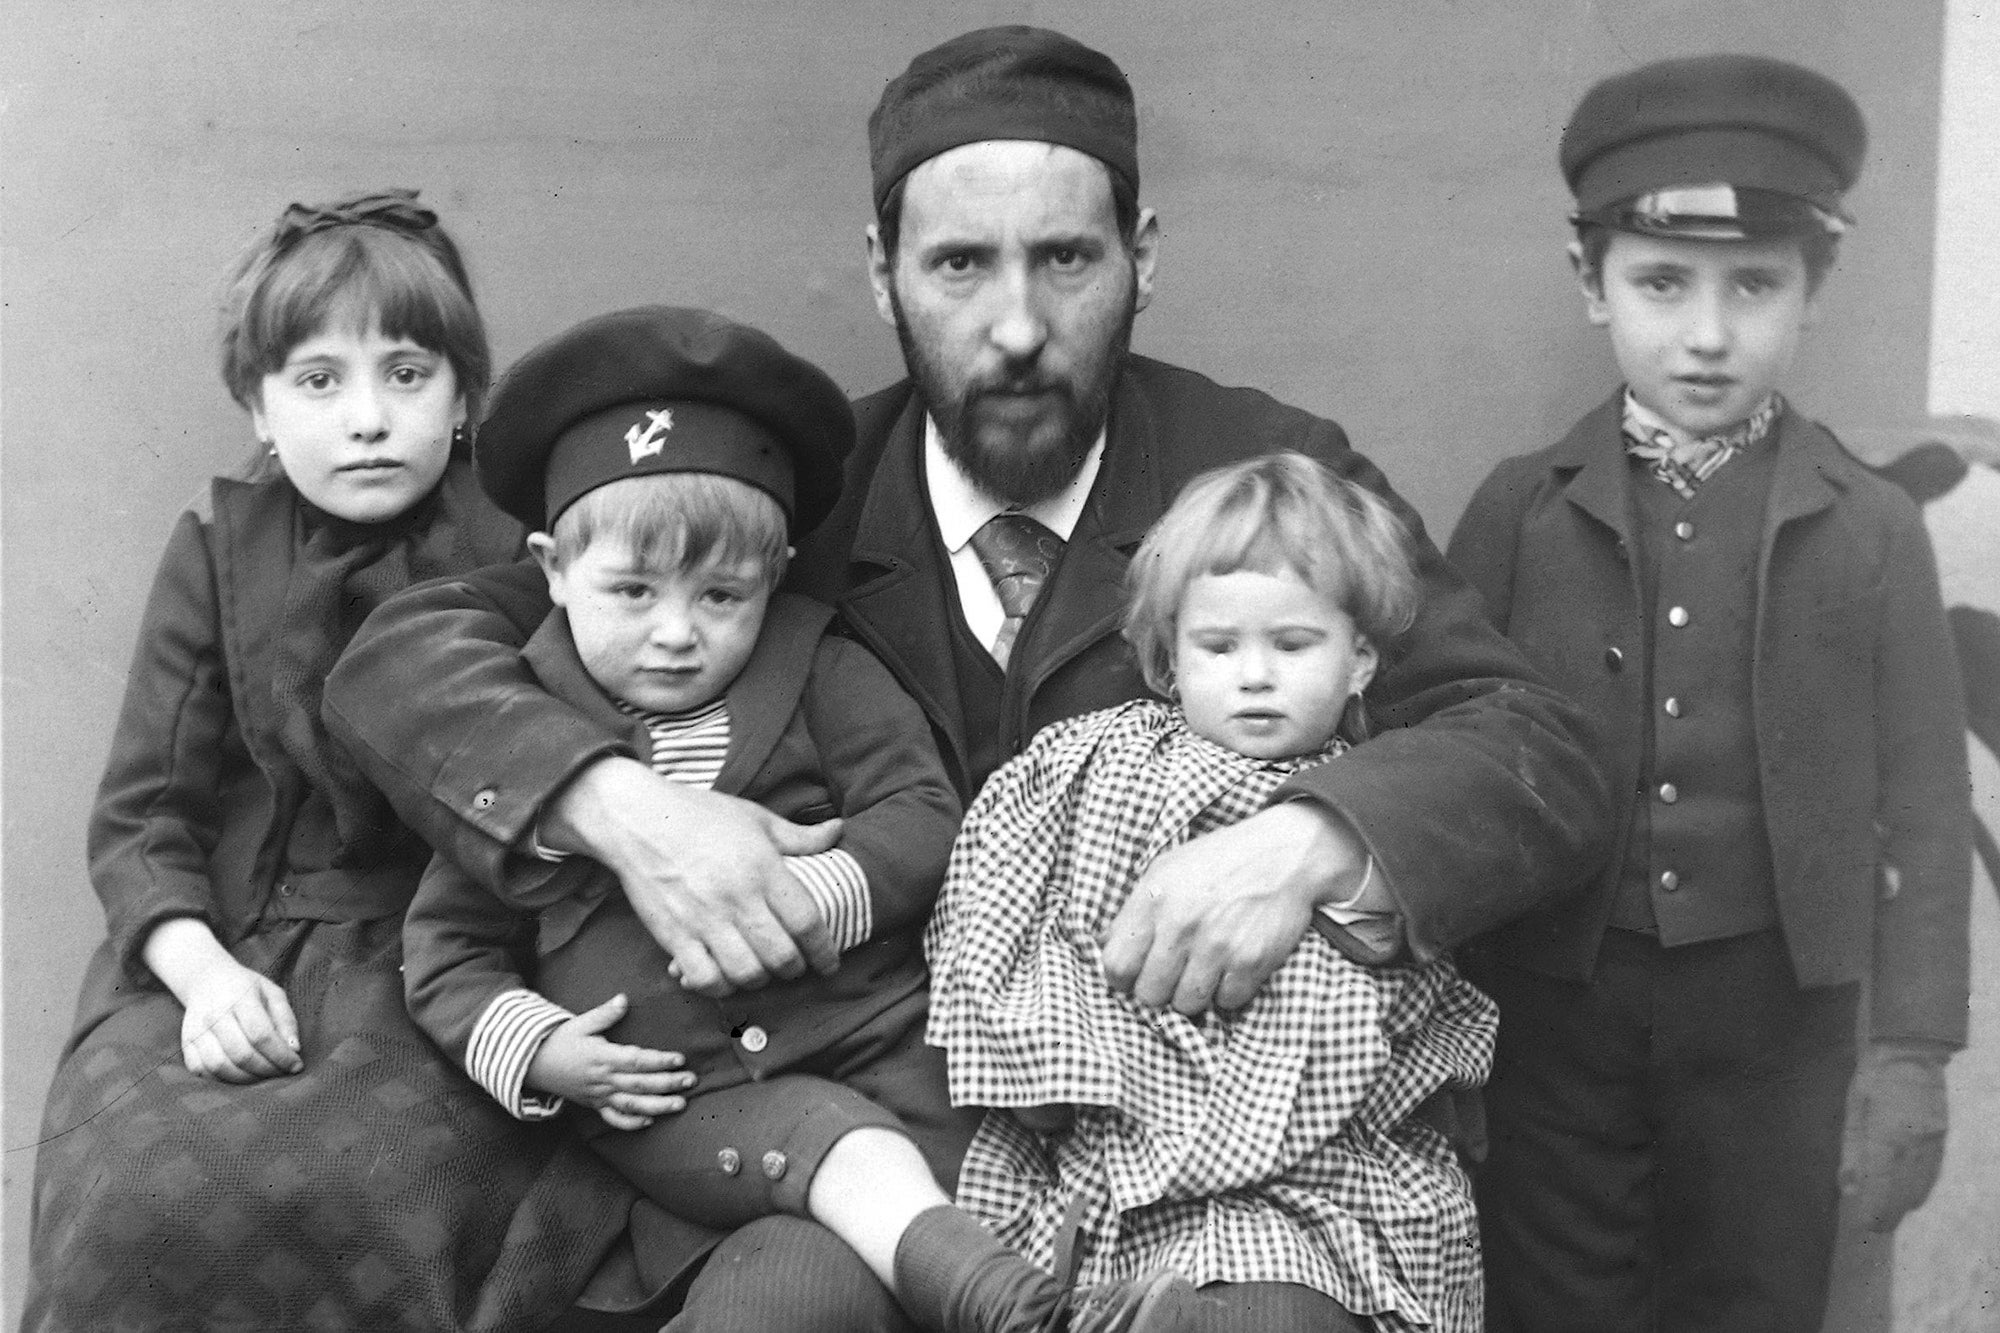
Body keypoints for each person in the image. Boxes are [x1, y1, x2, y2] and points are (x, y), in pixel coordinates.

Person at [326, 26, 1610, 1328]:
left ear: (1142, 260)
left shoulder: (1262, 477)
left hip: (1190, 1148)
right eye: (959, 264)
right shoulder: (782, 505)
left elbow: (1533, 748)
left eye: (1065, 259)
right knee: (780, 1312)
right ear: (884, 279)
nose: (1015, 326)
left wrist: (1303, 844)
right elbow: (408, 654)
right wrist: (623, 808)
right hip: (868, 1128)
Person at [403, 304, 1206, 1333]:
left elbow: (921, 814)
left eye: (721, 595)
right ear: (552, 568)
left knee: (991, 1165)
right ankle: (1025, 1318)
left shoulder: (820, 667)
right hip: (682, 1099)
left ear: (775, 572)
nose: (676, 633)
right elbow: (446, 948)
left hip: (875, 1036)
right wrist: (541, 1048)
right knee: (850, 1159)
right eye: (631, 591)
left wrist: (816, 893)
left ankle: (1073, 1294)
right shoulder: (524, 732)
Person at [23, 191, 635, 1331]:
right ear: (257, 404)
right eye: (319, 380)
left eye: (407, 374)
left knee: (384, 1191)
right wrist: (202, 978)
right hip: (235, 948)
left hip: (457, 956)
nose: (367, 417)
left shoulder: (523, 556)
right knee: (134, 1197)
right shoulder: (217, 552)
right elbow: (142, 818)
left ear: (462, 399)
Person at [1444, 56, 1971, 1333]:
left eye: (1755, 286)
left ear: (1811, 289)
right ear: (1590, 284)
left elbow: (1924, 801)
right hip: (1555, 1012)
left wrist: (1908, 1051)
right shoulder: (1519, 508)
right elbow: (1446, 764)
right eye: (1659, 282)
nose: (1706, 333)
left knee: (1750, 1297)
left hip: (1776, 1024)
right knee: (1553, 1301)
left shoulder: (1871, 525)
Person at [928, 453, 1498, 1333]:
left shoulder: (1380, 798)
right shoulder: (1086, 768)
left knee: (1270, 1311)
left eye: (1293, 644)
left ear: (1359, 660)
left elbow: (1403, 997)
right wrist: (1034, 1051)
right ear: (1167, 663)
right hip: (1119, 1176)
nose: (1255, 675)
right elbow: (986, 912)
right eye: (1219, 646)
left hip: (1323, 1184)